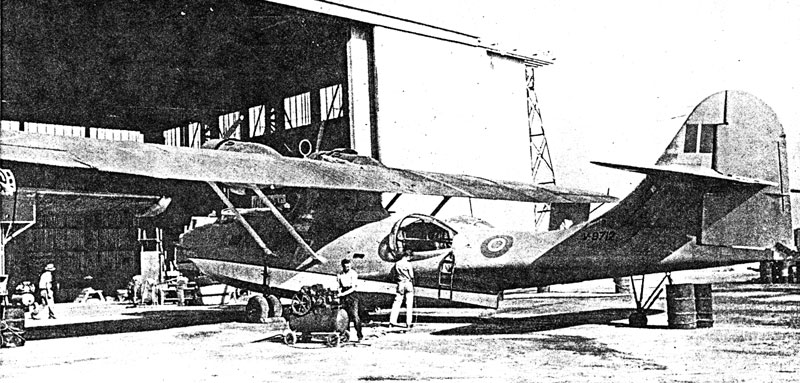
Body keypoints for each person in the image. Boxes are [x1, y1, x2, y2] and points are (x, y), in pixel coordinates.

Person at [337, 258, 363, 342]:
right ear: (342, 266)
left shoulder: (353, 273)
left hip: (352, 295)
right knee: (344, 317)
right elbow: (339, 286)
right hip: (343, 295)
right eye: (345, 267)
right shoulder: (339, 274)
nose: (347, 268)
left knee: (355, 316)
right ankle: (345, 336)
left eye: (348, 266)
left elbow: (353, 288)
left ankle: (359, 335)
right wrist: (339, 292)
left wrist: (342, 294)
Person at [389, 251, 415, 328]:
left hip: (400, 283)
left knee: (397, 302)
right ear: (408, 256)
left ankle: (392, 321)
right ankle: (408, 323)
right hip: (408, 283)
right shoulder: (408, 264)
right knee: (409, 304)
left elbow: (393, 274)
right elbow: (412, 275)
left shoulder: (397, 264)